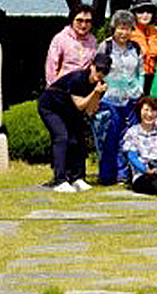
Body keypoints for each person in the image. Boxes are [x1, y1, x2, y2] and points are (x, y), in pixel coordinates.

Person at [37, 52, 110, 192]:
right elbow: (80, 105)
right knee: (62, 137)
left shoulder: (101, 86)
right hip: (51, 106)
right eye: (98, 69)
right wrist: (95, 93)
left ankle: (78, 178)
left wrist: (97, 93)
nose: (100, 74)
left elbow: (89, 110)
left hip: (69, 110)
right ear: (91, 66)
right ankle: (60, 180)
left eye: (104, 71)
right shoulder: (78, 78)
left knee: (78, 140)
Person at [92, 9, 143, 185]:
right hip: (109, 99)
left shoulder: (135, 47)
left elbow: (140, 72)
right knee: (108, 137)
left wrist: (139, 91)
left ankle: (123, 175)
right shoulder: (105, 46)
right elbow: (97, 72)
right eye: (120, 28)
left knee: (128, 137)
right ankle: (107, 176)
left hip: (130, 99)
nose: (124, 32)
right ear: (113, 28)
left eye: (128, 28)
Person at [121, 95, 157, 196]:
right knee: (152, 183)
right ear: (140, 112)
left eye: (153, 111)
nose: (149, 114)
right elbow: (132, 157)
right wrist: (146, 170)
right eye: (146, 110)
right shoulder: (132, 132)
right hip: (142, 174)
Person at [44, 4, 96, 87]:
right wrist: (53, 88)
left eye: (87, 21)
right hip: (63, 88)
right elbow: (51, 67)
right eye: (79, 20)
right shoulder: (60, 39)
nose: (83, 25)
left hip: (84, 89)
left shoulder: (92, 40)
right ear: (72, 21)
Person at [130, 0, 157, 95]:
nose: (145, 15)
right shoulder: (129, 32)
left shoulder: (155, 32)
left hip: (153, 77)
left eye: (148, 12)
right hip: (135, 77)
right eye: (140, 12)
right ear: (134, 14)